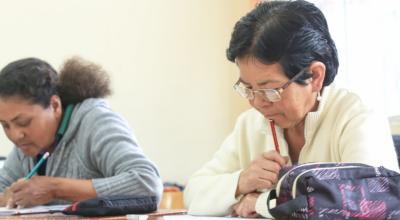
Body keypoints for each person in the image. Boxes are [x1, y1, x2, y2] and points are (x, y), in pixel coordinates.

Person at [184, 0, 399, 218]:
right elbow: (193, 192)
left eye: (270, 90)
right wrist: (241, 181)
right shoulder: (249, 124)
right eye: (247, 88)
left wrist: (259, 203)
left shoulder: (358, 118)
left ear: (315, 76)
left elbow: (371, 205)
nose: (258, 103)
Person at [0, 57, 163, 208]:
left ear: (55, 106)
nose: (15, 135)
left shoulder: (95, 122)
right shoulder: (27, 145)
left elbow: (147, 184)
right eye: (5, 125)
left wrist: (55, 188)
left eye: (23, 122)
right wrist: (6, 199)